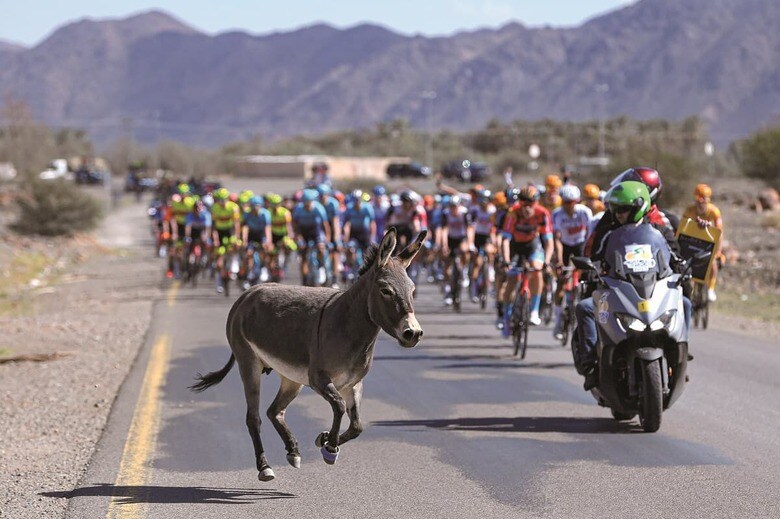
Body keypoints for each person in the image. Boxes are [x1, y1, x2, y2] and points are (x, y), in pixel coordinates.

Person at [575, 181, 690, 390]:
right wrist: (592, 268)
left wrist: (682, 265)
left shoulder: (659, 231)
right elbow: (596, 256)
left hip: (653, 287)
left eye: (624, 210)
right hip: (618, 289)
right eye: (616, 210)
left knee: (685, 303)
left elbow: (674, 255)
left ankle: (680, 354)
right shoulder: (609, 233)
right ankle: (590, 364)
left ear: (639, 207)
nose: (618, 215)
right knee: (585, 307)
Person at [498, 185, 554, 330]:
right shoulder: (512, 213)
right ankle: (506, 315)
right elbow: (505, 240)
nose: (527, 207)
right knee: (511, 279)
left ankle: (534, 311)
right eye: (523, 203)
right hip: (515, 245)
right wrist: (506, 260)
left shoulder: (543, 213)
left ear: (536, 202)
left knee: (537, 270)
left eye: (531, 204)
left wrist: (547, 261)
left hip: (532, 244)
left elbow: (549, 241)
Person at [551, 185, 592, 340]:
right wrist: (560, 260)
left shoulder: (584, 212)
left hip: (581, 244)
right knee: (562, 281)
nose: (568, 205)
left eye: (571, 202)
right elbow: (557, 239)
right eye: (565, 202)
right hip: (565, 244)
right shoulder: (557, 214)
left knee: (587, 277)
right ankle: (558, 320)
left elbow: (589, 235)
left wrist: (588, 257)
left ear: (577, 201)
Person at [682, 183, 723, 302]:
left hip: (709, 242)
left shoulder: (714, 211)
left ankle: (711, 289)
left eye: (703, 199)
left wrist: (718, 251)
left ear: (708, 200)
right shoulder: (689, 210)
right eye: (698, 199)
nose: (700, 203)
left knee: (713, 262)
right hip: (694, 241)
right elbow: (683, 228)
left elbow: (720, 232)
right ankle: (689, 292)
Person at [439, 195, 474, 306]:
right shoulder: (446, 213)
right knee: (447, 266)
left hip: (461, 237)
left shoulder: (464, 213)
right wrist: (444, 245)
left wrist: (470, 243)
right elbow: (444, 230)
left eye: (455, 206)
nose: (453, 209)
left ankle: (464, 271)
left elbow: (469, 229)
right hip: (450, 238)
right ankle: (447, 291)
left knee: (465, 250)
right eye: (452, 206)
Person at [292, 189, 331, 284]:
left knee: (321, 248)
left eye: (308, 203)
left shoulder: (319, 208)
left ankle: (322, 266)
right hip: (303, 232)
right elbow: (294, 225)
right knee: (303, 255)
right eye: (305, 203)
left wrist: (327, 239)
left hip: (316, 232)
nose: (307, 205)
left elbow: (325, 225)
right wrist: (298, 236)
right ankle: (304, 279)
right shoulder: (298, 209)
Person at [469, 189, 497, 302]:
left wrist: (494, 242)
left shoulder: (493, 211)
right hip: (477, 235)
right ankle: (473, 288)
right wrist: (471, 243)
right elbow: (471, 228)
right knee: (477, 263)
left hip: (488, 235)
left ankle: (490, 269)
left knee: (490, 251)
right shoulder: (475, 210)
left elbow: (494, 227)